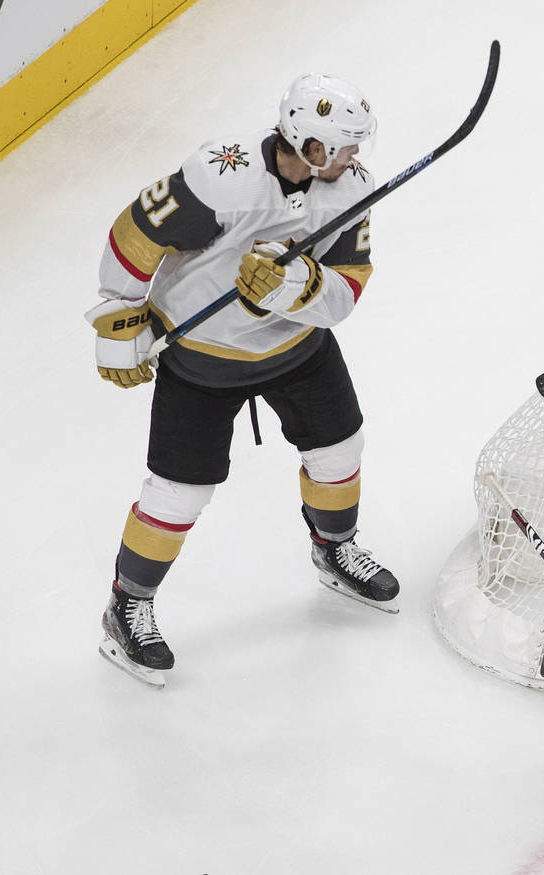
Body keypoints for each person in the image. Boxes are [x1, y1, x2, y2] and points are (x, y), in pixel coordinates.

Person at [87, 73, 399, 687]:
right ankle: (128, 605)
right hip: (202, 359)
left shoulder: (351, 190)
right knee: (179, 494)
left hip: (296, 347)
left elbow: (347, 289)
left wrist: (299, 288)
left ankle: (334, 548)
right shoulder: (221, 177)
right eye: (344, 146)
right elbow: (137, 233)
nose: (356, 158)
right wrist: (116, 315)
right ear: (309, 144)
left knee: (340, 452)